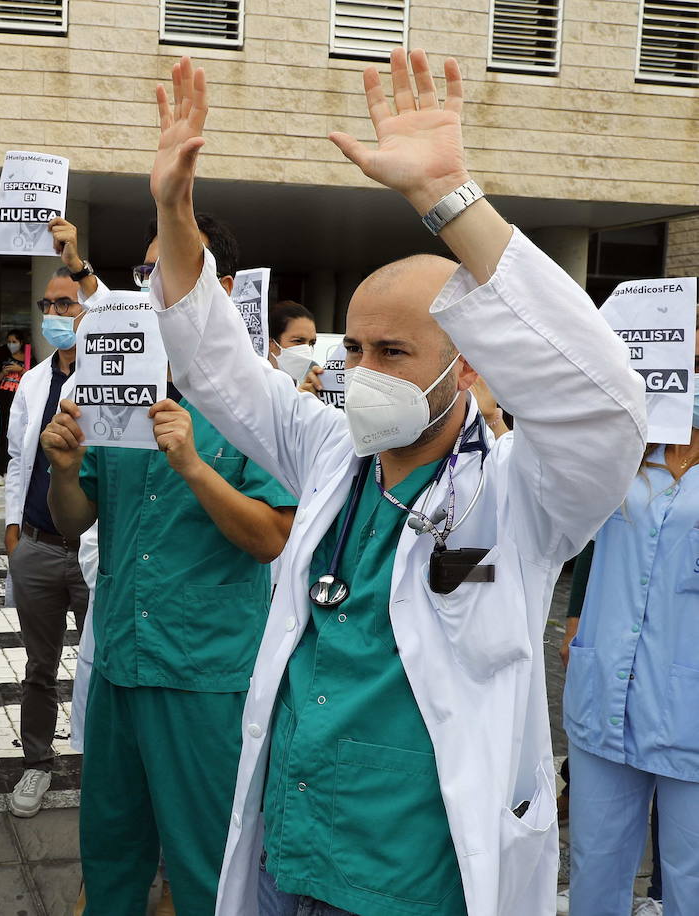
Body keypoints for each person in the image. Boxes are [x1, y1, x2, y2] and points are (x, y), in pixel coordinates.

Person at [146, 52, 644, 914]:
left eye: (394, 352)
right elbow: (214, 363)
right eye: (354, 350)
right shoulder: (330, 450)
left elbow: (603, 407)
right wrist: (172, 210)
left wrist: (448, 196)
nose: (364, 372)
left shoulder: (524, 495)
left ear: (469, 368)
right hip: (291, 852)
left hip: (412, 877)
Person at [41, 257, 298, 913]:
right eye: (147, 267)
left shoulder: (254, 403)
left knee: (207, 860)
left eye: (171, 264)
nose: (153, 281)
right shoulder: (114, 392)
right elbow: (75, 520)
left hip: (203, 673)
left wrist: (193, 467)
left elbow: (273, 536)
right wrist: (66, 470)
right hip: (120, 665)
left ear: (217, 286)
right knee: (110, 851)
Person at [559, 324, 698, 916]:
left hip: (689, 703)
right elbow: (585, 540)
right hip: (607, 690)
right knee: (595, 866)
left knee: (692, 877)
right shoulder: (624, 454)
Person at [4, 241, 94, 818]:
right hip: (36, 546)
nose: (56, 314)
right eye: (49, 305)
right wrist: (13, 531)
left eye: (67, 305)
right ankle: (36, 762)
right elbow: (19, 459)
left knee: (100, 662)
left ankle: (99, 763)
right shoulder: (34, 381)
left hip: (90, 549)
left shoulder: (111, 378)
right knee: (38, 668)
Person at [0, 328, 31, 480]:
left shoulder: (28, 359)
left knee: (17, 437)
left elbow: (34, 379)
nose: (11, 344)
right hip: (2, 403)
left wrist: (20, 370)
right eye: (9, 342)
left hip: (20, 404)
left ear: (21, 342)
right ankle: (0, 472)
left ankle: (11, 471)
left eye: (14, 342)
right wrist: (3, 373)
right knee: (3, 437)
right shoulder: (3, 359)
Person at [268, 300, 324, 390]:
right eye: (298, 341)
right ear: (271, 344)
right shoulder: (254, 388)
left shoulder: (311, 386)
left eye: (312, 343)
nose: (307, 350)